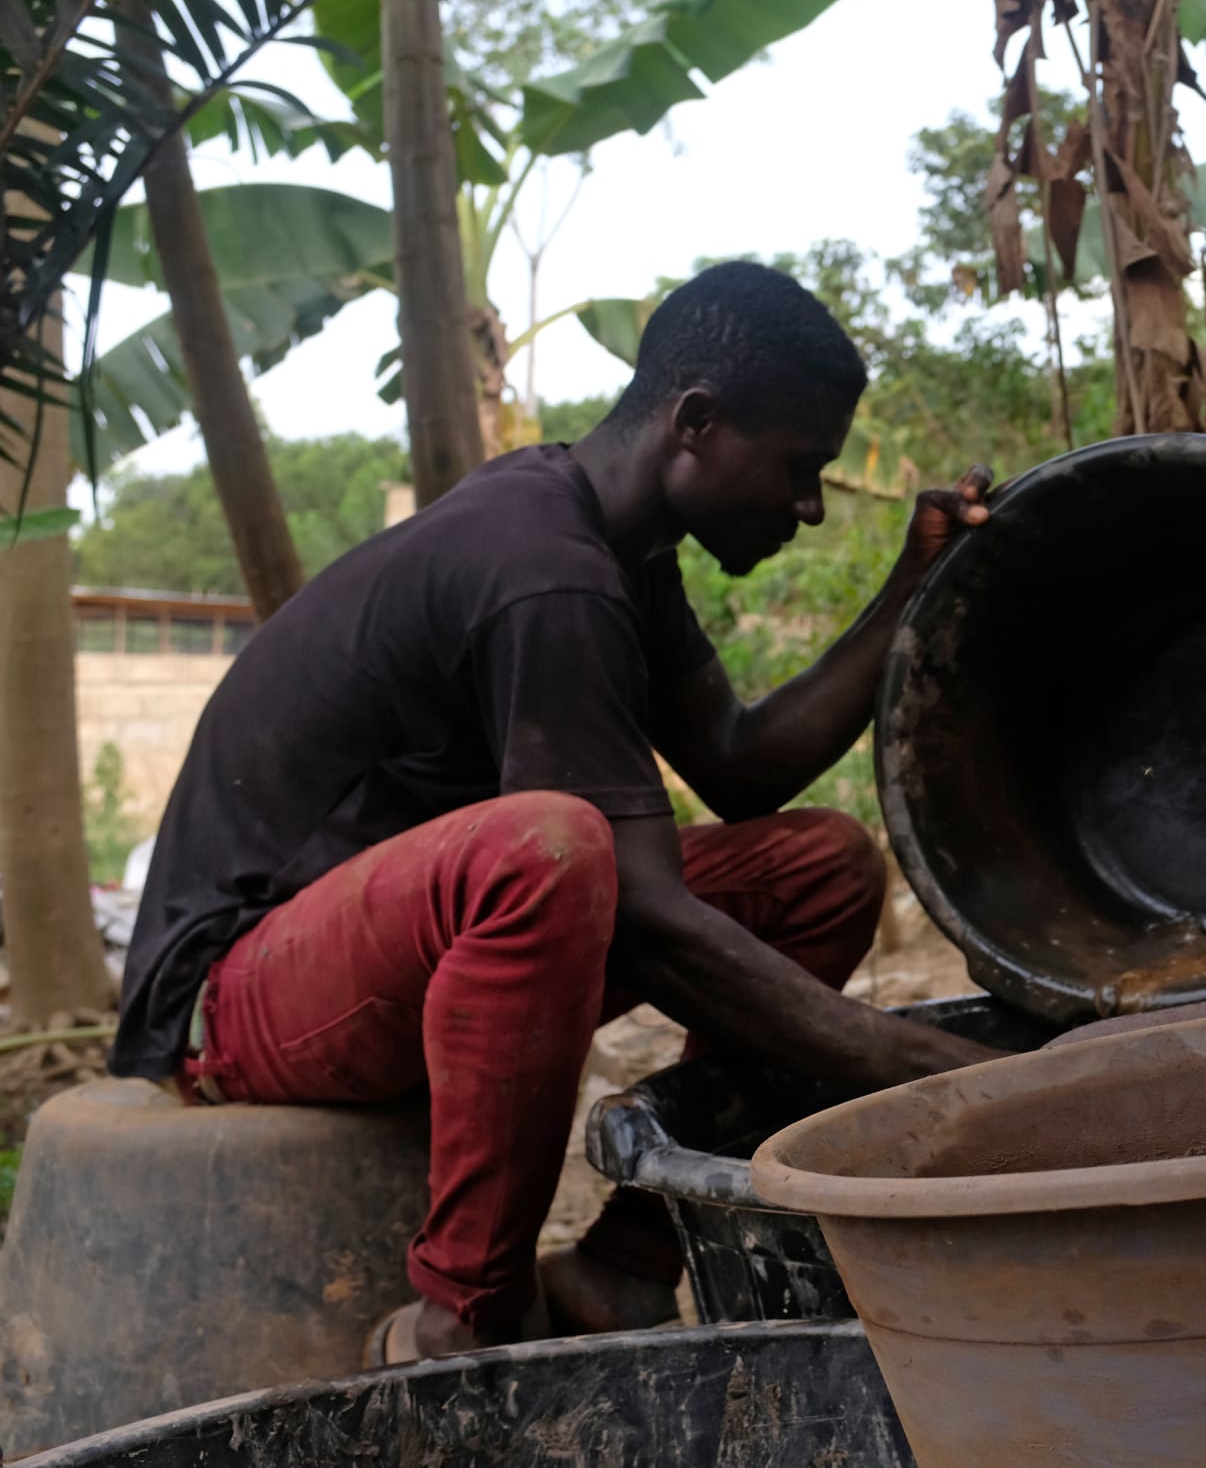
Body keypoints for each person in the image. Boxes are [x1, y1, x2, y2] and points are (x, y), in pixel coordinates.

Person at [111, 261, 1001, 1365]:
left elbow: (740, 765)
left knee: (819, 866)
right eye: (798, 468)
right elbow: (641, 906)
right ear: (695, 421)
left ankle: (621, 1263)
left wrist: (908, 587)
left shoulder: (618, 548)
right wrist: (930, 1072)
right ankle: (457, 1317)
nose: (809, 505)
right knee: (550, 851)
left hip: (390, 953)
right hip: (237, 994)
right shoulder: (544, 568)